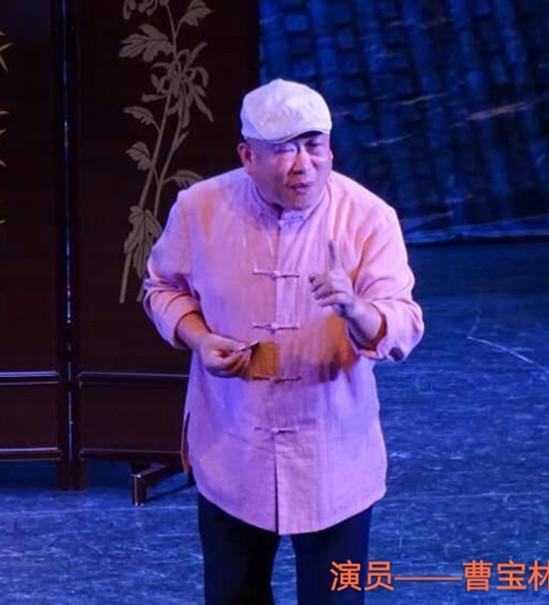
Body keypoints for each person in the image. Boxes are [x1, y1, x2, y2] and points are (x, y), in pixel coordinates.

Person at [143, 78, 424, 605]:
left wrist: (354, 307)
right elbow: (162, 286)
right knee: (233, 596)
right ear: (247, 156)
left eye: (314, 145)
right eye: (283, 150)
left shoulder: (368, 217)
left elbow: (404, 325)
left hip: (332, 453)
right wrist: (199, 339)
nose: (303, 165)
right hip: (232, 445)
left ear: (331, 148)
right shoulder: (199, 208)